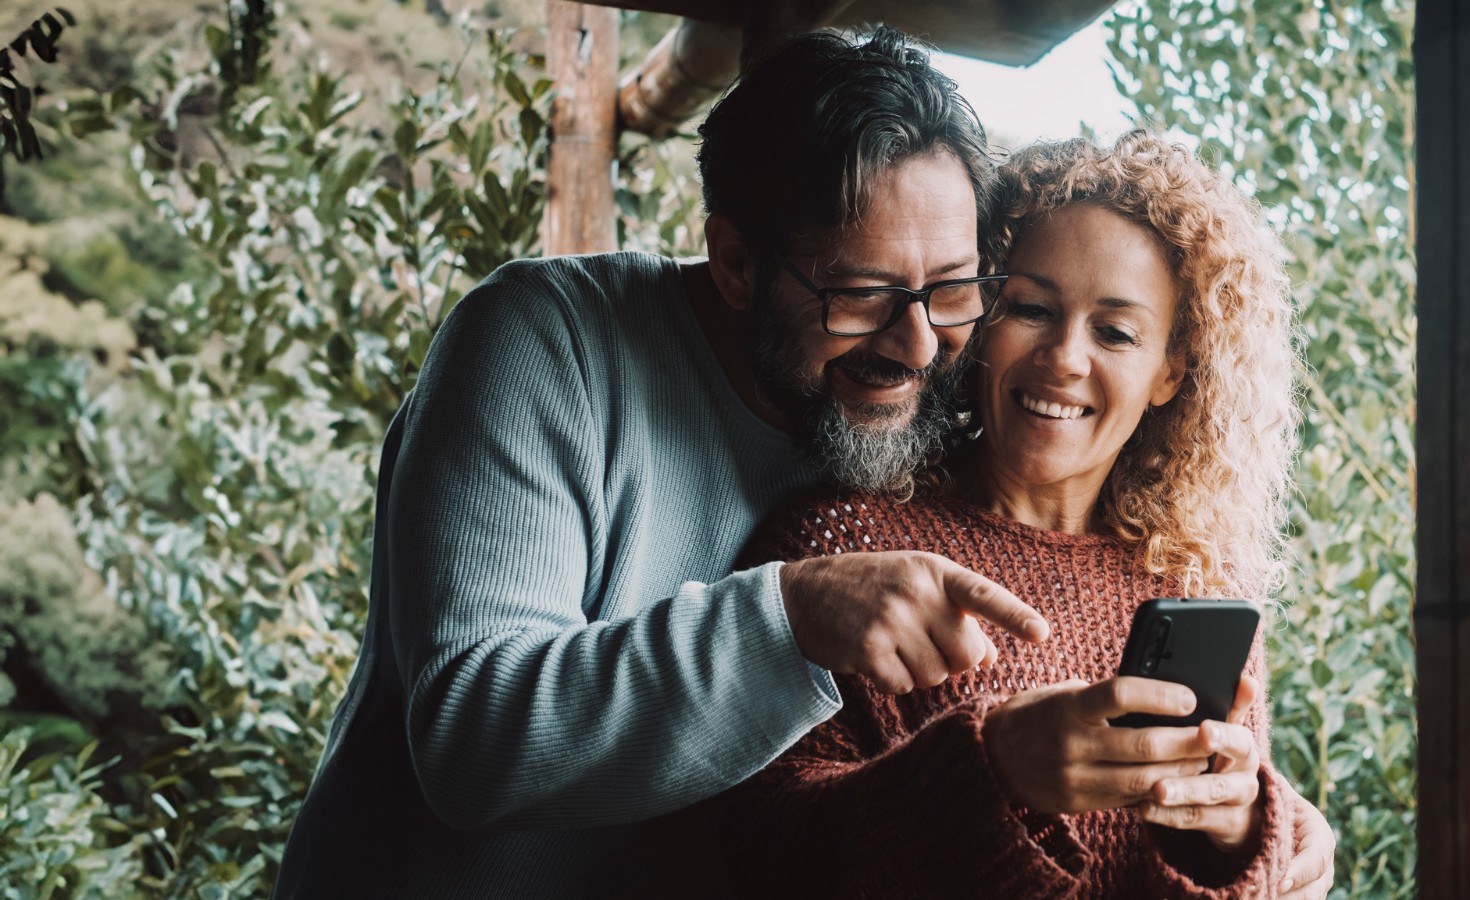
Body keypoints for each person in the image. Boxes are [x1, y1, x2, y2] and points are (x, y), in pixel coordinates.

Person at [274, 28, 1054, 898]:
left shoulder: (913, 410)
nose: (916, 344)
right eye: (862, 294)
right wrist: (789, 619)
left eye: (952, 288)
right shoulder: (544, 343)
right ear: (734, 263)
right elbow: (473, 743)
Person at [689, 131, 1334, 898]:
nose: (1064, 356)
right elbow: (761, 848)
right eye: (1031, 307)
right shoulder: (843, 542)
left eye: (1116, 331)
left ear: (1171, 372)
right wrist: (991, 771)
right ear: (977, 319)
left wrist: (1242, 832)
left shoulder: (1194, 582)